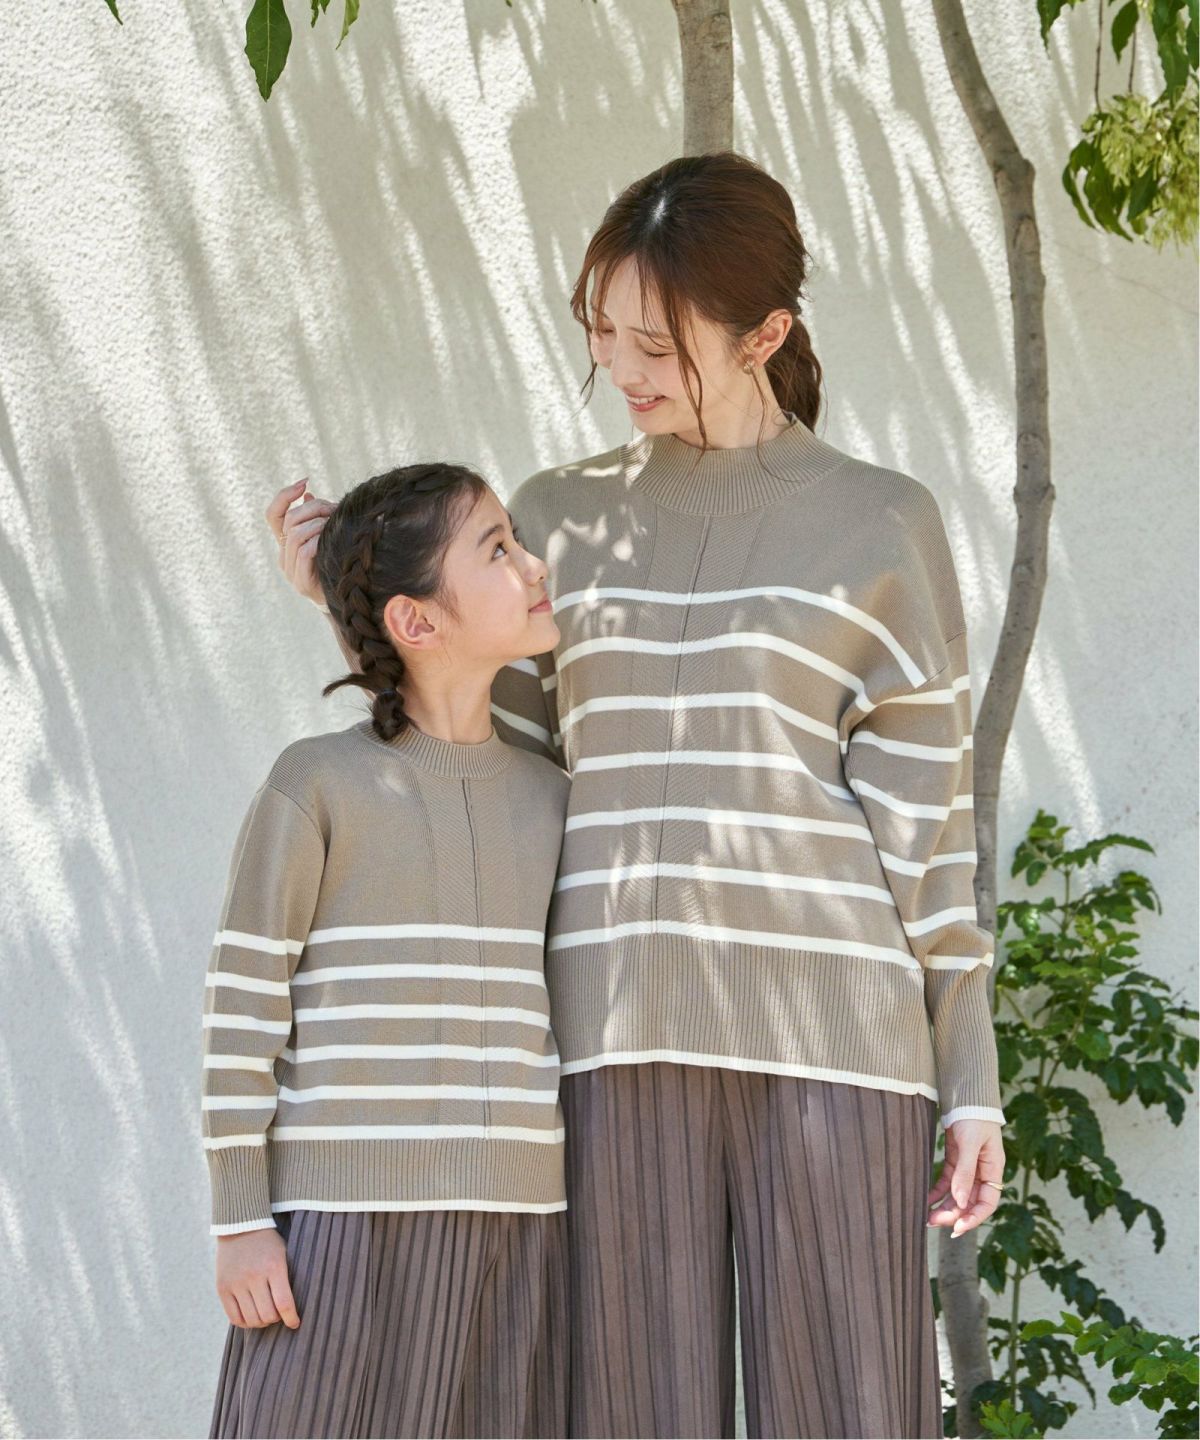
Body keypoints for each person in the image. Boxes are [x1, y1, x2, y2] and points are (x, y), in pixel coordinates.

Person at [270, 151, 1009, 1440]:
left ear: (765, 334)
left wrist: (972, 1078)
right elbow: (481, 760)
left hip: (835, 1041)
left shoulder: (882, 522)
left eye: (655, 342)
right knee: (623, 1412)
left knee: (851, 1413)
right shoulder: (559, 520)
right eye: (602, 331)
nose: (621, 365)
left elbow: (928, 834)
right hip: (609, 1037)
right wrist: (354, 611)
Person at [202, 462, 571, 1439]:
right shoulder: (317, 785)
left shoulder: (554, 799)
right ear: (415, 618)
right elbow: (242, 1010)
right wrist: (240, 1221)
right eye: (498, 548)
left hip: (518, 1231)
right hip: (339, 1226)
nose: (534, 565)